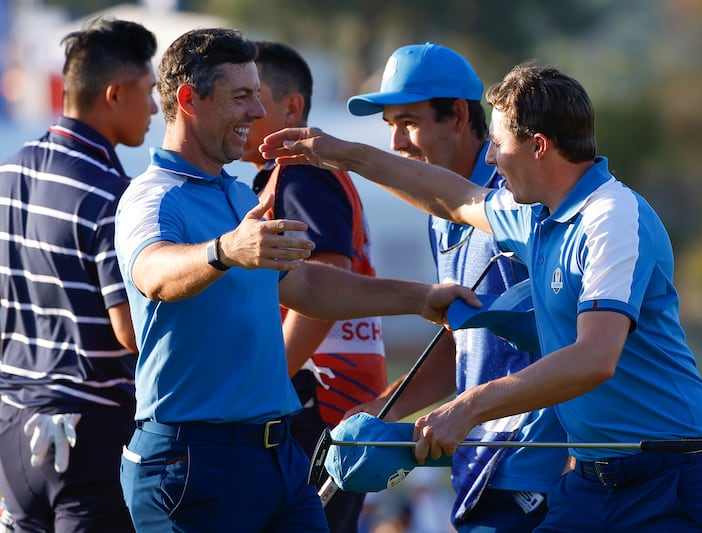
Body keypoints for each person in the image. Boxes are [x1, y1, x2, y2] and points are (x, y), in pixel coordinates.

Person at [260, 60, 702, 531]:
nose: (489, 158)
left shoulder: (612, 217)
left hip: (675, 475)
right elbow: (453, 197)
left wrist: (466, 408)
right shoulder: (536, 214)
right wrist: (344, 154)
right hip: (592, 482)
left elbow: (596, 357)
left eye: (498, 144)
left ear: (539, 146)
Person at [114, 28, 477, 532]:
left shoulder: (239, 198)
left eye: (257, 96)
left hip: (277, 456)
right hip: (192, 462)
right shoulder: (153, 197)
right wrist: (225, 251)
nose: (256, 113)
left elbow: (311, 286)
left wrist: (422, 298)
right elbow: (152, 272)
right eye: (241, 97)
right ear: (189, 99)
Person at [342, 42, 567, 532]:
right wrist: (380, 413)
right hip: (482, 469)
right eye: (390, 128)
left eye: (408, 122)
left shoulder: (516, 201)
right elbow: (463, 343)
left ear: (459, 116)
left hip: (535, 472)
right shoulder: (441, 219)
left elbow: (568, 342)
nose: (397, 143)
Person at [0, 18, 157, 532]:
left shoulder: (7, 175)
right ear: (114, 94)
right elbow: (131, 331)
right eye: (149, 92)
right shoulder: (113, 195)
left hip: (11, 431)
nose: (155, 109)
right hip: (87, 438)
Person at [240, 41, 387, 533]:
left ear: (292, 108)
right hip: (323, 396)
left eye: (253, 96)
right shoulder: (282, 177)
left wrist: (260, 385)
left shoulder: (300, 172)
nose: (245, 110)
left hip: (318, 398)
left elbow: (326, 286)